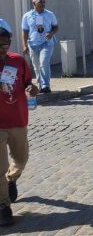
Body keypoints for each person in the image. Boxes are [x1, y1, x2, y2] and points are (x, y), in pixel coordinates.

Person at [0, 27, 38, 226]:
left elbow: (27, 83)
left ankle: (12, 179)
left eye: (6, 41)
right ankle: (3, 206)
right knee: (0, 167)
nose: (3, 46)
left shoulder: (17, 60)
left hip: (18, 119)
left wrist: (32, 88)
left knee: (21, 158)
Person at [21, 0, 58, 94]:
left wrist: (51, 33)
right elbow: (25, 31)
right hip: (33, 44)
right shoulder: (27, 16)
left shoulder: (50, 14)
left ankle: (46, 85)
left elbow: (55, 27)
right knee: (37, 66)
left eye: (44, 2)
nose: (42, 4)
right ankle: (40, 85)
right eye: (40, 2)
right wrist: (24, 44)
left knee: (44, 62)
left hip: (47, 43)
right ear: (34, 4)